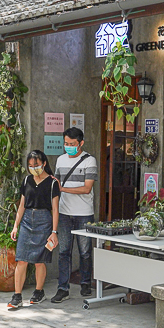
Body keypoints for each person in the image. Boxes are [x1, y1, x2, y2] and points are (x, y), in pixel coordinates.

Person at [8, 150, 60, 309]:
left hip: (44, 221)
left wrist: (54, 232)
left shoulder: (52, 183)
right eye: (30, 166)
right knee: (21, 259)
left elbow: (55, 209)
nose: (33, 168)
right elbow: (22, 205)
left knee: (39, 260)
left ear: (44, 163)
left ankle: (39, 291)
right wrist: (16, 225)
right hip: (27, 221)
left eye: (36, 165)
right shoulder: (26, 180)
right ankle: (17, 296)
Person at [51, 127, 98, 303]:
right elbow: (55, 184)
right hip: (63, 213)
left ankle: (86, 283)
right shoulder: (60, 160)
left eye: (72, 144)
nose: (68, 146)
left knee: (85, 251)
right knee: (63, 252)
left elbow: (87, 188)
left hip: (84, 213)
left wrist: (63, 188)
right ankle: (63, 288)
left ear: (81, 143)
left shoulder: (89, 161)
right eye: (66, 144)